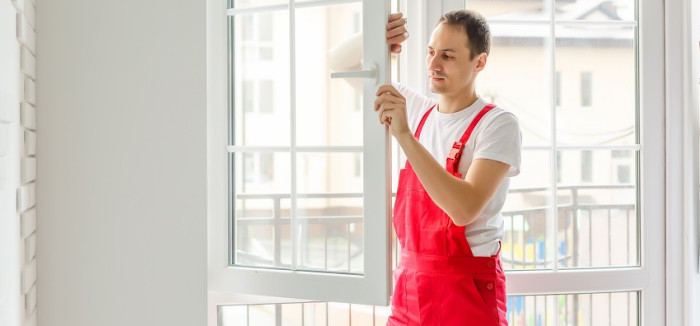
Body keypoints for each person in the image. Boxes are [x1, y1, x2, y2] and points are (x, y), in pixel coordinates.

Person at [376, 10, 521, 326]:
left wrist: (404, 135)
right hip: (409, 292)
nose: (432, 65)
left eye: (448, 56)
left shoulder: (497, 125)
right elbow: (342, 64)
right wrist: (379, 40)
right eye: (430, 52)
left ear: (479, 62)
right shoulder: (418, 111)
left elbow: (464, 208)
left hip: (465, 295)